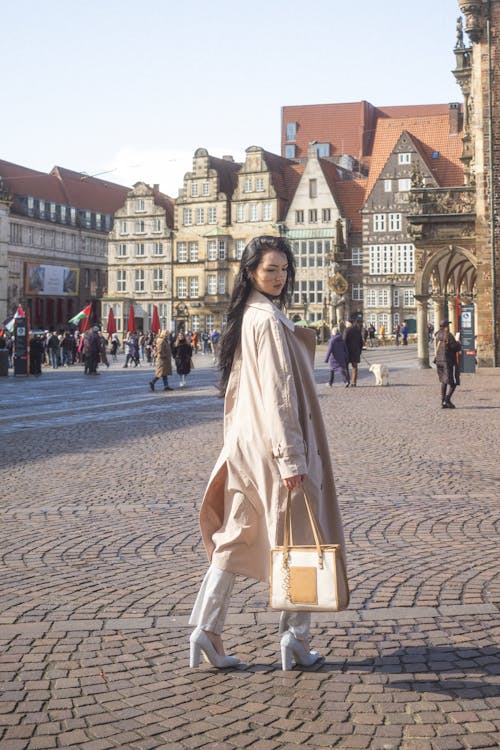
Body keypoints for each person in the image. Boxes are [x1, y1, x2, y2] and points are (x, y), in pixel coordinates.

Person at [188, 235, 347, 671]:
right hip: (276, 451)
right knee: (300, 539)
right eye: (270, 269)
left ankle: (206, 627)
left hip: (246, 447)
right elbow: (279, 394)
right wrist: (291, 457)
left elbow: (240, 393)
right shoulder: (266, 320)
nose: (278, 277)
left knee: (236, 536)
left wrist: (239, 444)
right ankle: (296, 637)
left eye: (283, 269)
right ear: (251, 271)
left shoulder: (247, 316)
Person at [434, 319, 462, 409]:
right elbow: (455, 347)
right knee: (453, 383)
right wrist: (458, 343)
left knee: (444, 381)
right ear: (446, 326)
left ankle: (443, 401)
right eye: (448, 325)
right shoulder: (448, 335)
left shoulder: (437, 334)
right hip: (447, 361)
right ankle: (447, 399)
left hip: (439, 361)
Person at [344, 321, 364, 387]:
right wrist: (360, 351)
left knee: (345, 367)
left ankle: (347, 381)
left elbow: (344, 341)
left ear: (349, 324)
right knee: (354, 367)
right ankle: (354, 382)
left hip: (347, 352)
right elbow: (361, 342)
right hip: (356, 352)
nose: (345, 324)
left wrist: (343, 351)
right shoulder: (357, 331)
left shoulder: (346, 330)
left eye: (346, 323)